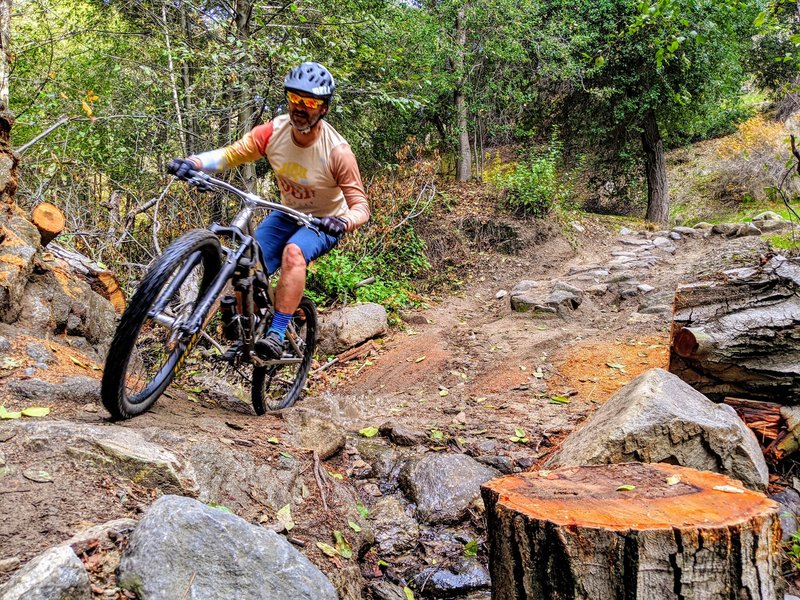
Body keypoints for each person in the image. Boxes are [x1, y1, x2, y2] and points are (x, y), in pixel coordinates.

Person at [167, 62, 370, 358]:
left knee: (293, 253)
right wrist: (194, 163)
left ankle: (276, 333)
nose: (300, 107)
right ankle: (249, 328)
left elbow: (361, 206)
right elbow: (229, 155)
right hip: (287, 212)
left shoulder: (337, 151)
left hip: (323, 221)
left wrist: (343, 222)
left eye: (310, 101)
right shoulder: (274, 132)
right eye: (295, 98)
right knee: (245, 263)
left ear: (323, 108)